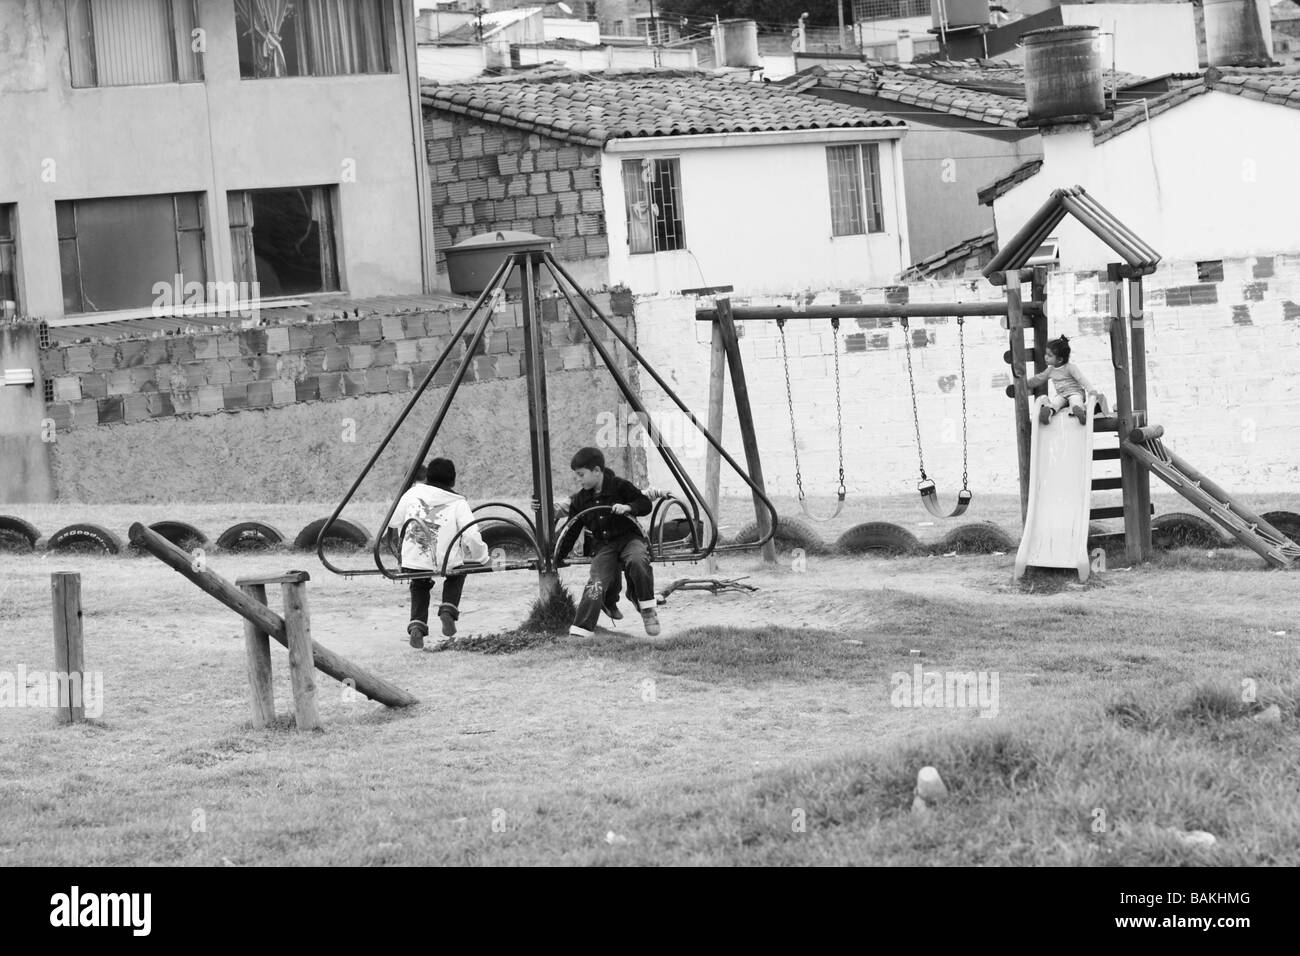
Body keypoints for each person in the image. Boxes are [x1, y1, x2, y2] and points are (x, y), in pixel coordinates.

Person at [558, 447, 660, 638]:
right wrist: (557, 556)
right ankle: (581, 630)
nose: (578, 480)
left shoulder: (620, 486)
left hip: (630, 539)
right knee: (596, 583)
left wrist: (629, 507)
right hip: (604, 546)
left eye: (581, 475)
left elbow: (645, 504)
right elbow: (571, 530)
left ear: (597, 471)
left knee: (638, 560)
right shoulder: (581, 500)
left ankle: (646, 607)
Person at [387, 457, 488, 649]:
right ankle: (448, 609)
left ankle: (417, 625)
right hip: (446, 560)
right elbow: (472, 535)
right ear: (453, 480)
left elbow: (392, 521)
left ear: (427, 477)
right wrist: (483, 558)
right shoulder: (459, 502)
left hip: (413, 560)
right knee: (457, 574)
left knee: (419, 583)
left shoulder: (413, 493)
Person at [1026, 335, 1095, 426]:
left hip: (1075, 392)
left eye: (1049, 355)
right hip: (1061, 395)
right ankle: (1048, 413)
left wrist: (1091, 390)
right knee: (1055, 403)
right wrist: (1025, 384)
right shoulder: (1050, 370)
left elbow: (1081, 379)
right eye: (1046, 354)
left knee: (1075, 400)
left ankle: (1080, 412)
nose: (1046, 357)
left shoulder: (1070, 368)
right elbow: (1039, 378)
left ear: (1059, 360)